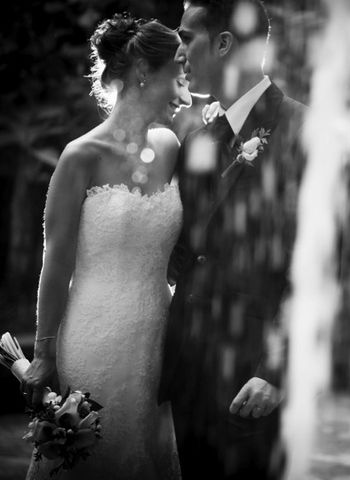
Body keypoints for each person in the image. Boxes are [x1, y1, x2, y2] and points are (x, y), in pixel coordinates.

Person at [21, 13, 191, 479]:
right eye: (177, 71)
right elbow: (54, 265)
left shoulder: (171, 145)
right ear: (143, 73)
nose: (184, 84)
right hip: (95, 336)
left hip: (158, 337)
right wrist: (43, 354)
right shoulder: (81, 157)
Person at [158, 1, 307, 478]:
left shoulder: (304, 130)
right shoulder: (195, 139)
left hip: (253, 376)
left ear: (223, 43)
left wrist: (276, 372)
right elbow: (185, 251)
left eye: (186, 37)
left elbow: (320, 266)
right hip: (189, 372)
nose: (178, 51)